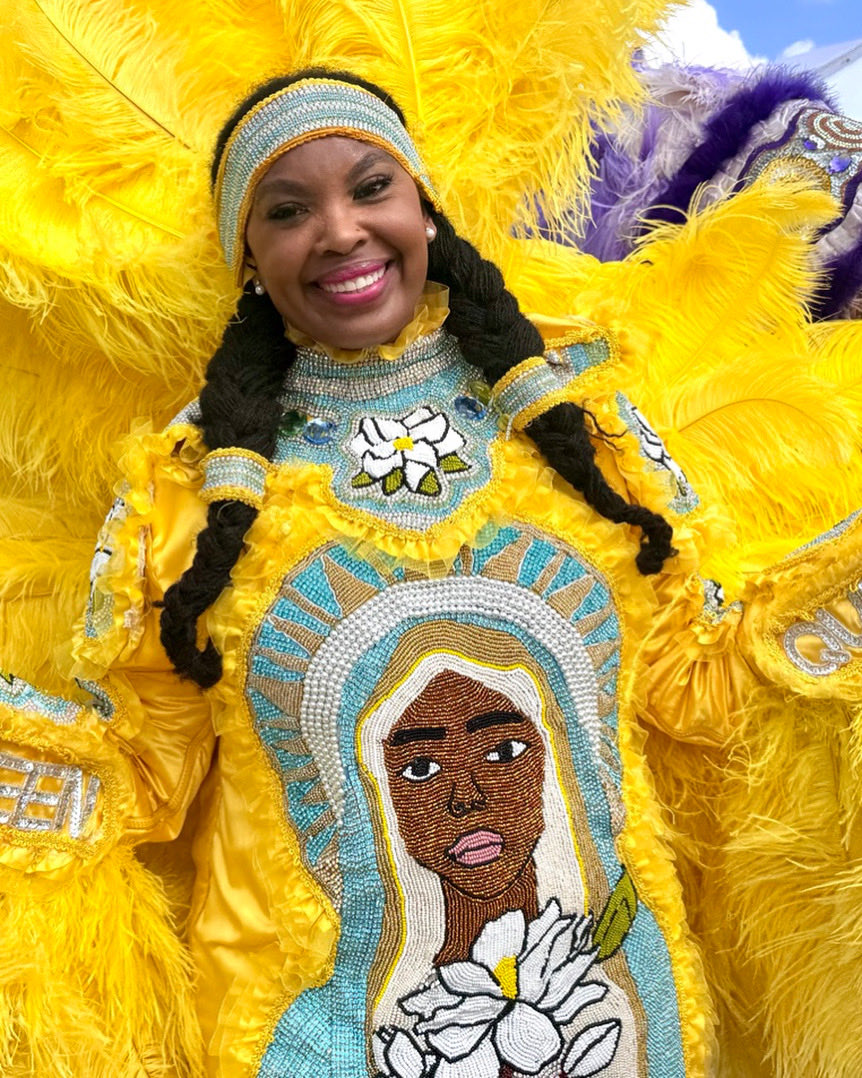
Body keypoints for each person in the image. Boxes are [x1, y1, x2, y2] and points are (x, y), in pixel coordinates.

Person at [3, 64, 862, 1078]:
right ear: (248, 255)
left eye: (370, 188)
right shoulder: (189, 495)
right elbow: (145, 770)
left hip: (614, 1033)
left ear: (421, 205)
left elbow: (693, 685)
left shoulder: (571, 423)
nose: (339, 231)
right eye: (288, 209)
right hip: (309, 1041)